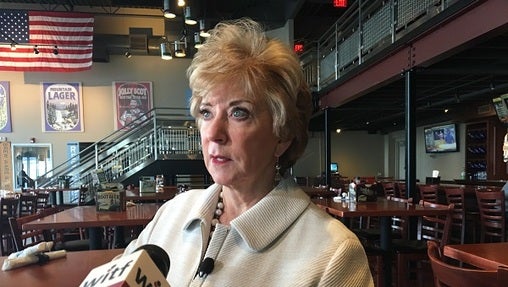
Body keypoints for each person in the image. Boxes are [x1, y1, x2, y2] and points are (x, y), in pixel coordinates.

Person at [120, 18, 373, 286]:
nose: (214, 132)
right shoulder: (171, 214)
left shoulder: (334, 254)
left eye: (238, 112)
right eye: (206, 112)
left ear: (283, 135)